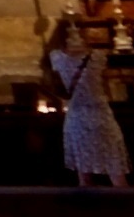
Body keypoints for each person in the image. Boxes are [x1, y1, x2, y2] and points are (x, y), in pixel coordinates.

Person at [47, 11, 127, 187]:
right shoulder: (98, 56)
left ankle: (89, 208)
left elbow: (57, 86)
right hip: (100, 114)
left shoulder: (56, 57)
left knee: (84, 171)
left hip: (76, 116)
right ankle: (126, 205)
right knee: (114, 165)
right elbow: (106, 84)